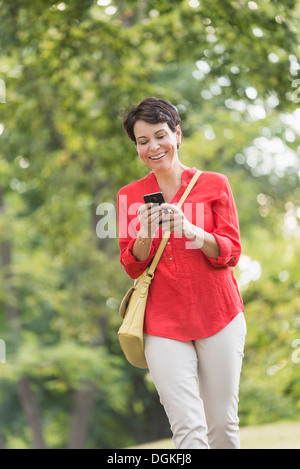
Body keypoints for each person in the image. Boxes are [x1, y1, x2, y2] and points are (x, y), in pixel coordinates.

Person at [117, 97, 246, 449]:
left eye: (160, 136)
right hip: (163, 323)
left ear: (177, 134)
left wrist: (192, 230)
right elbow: (131, 264)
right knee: (188, 430)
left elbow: (231, 252)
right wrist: (144, 234)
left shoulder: (214, 184)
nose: (153, 147)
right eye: (142, 141)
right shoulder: (129, 196)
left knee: (222, 425)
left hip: (219, 314)